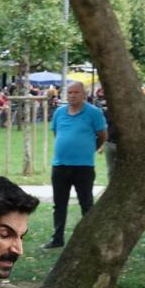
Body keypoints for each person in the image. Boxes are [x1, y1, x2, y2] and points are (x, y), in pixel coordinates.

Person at [42, 81, 107, 249]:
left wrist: (91, 148)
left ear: (84, 95)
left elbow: (102, 135)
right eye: (70, 92)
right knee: (59, 204)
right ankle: (57, 238)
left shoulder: (94, 113)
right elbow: (57, 134)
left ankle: (89, 238)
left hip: (83, 167)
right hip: (60, 165)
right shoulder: (59, 113)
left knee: (86, 203)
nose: (72, 95)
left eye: (76, 92)